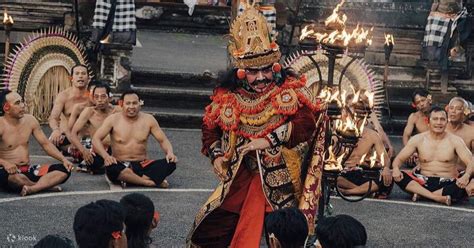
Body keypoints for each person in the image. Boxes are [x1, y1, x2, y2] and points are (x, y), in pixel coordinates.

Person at [188, 4, 324, 247]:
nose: (261, 77)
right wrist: (217, 156)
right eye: (252, 71)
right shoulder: (228, 95)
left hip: (282, 174)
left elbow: (306, 123)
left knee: (284, 234)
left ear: (275, 67)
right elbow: (210, 127)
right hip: (240, 173)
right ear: (241, 71)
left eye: (265, 70)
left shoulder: (289, 90)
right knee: (212, 228)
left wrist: (269, 140)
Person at [92, 90, 177, 188]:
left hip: (142, 164)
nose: (131, 107)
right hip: (120, 164)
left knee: (171, 163)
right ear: (121, 104)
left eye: (135, 103)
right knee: (111, 167)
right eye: (128, 103)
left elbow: (163, 140)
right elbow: (96, 139)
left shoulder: (149, 119)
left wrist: (170, 152)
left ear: (140, 104)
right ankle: (148, 182)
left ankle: (130, 180)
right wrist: (106, 156)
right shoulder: (113, 119)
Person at [392, 107, 473, 205]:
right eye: (435, 119)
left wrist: (466, 176)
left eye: (442, 119)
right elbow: (399, 159)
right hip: (422, 181)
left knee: (469, 181)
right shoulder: (418, 139)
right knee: (399, 175)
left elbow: (471, 162)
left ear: (447, 122)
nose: (439, 122)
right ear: (428, 121)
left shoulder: (455, 141)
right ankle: (436, 197)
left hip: (448, 183)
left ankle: (421, 195)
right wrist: (396, 168)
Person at [0, 90, 73, 196]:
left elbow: (45, 144)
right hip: (8, 172)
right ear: (6, 108)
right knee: (15, 178)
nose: (22, 105)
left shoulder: (30, 120)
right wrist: (5, 163)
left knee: (64, 170)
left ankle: (33, 188)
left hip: (28, 170)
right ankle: (44, 186)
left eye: (22, 101)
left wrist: (64, 159)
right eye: (17, 103)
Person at [337, 95, 392, 198]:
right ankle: (364, 191)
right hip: (343, 175)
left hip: (363, 173)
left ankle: (349, 192)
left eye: (360, 114)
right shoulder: (338, 134)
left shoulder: (372, 135)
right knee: (330, 176)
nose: (357, 118)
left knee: (386, 179)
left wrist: (386, 169)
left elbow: (385, 159)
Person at [69, 82, 120, 174]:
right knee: (93, 163)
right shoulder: (89, 112)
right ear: (93, 98)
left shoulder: (118, 111)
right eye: (96, 97)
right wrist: (84, 151)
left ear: (110, 97)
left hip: (116, 149)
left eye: (103, 96)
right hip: (98, 150)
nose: (100, 100)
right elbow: (73, 134)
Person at [49, 64, 91, 152]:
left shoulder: (92, 97)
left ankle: (76, 151)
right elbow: (53, 118)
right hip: (68, 133)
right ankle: (71, 150)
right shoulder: (63, 96)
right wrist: (56, 130)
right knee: (53, 140)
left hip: (85, 136)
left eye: (83, 73)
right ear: (71, 78)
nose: (80, 76)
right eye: (77, 73)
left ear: (88, 78)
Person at [445, 97, 474, 196]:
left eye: (458, 109)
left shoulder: (471, 132)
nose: (453, 111)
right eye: (451, 108)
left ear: (465, 112)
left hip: (464, 173)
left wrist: (468, 176)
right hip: (440, 171)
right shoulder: (440, 128)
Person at [402, 89, 433, 167]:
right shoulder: (414, 117)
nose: (421, 104)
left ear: (429, 99)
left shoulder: (438, 114)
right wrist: (409, 152)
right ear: (415, 105)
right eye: (418, 102)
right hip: (421, 150)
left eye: (423, 100)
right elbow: (406, 135)